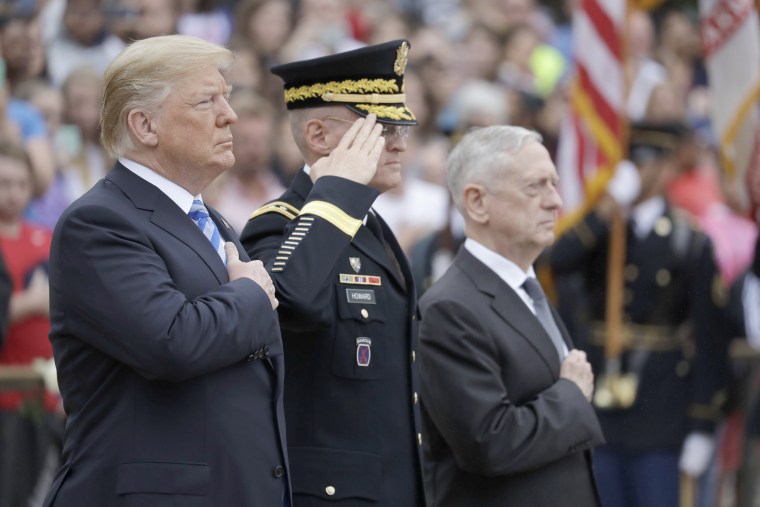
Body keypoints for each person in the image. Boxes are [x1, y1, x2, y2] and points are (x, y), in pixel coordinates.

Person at [42, 34, 289, 507]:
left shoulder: (212, 221)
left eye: (228, 98)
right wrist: (251, 295)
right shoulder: (98, 222)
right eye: (206, 100)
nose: (229, 115)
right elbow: (171, 342)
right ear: (145, 125)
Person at [240, 40, 425, 506]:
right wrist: (336, 192)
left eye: (401, 124)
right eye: (381, 127)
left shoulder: (372, 226)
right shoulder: (279, 223)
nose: (400, 141)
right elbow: (289, 298)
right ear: (320, 136)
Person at [417, 125, 603, 507]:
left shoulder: (527, 289)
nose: (555, 201)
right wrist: (571, 395)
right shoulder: (451, 308)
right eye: (535, 187)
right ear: (477, 203)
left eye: (553, 184)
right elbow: (489, 442)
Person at [549, 122, 730, 507]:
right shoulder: (603, 228)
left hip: (660, 409)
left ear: (666, 168)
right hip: (598, 406)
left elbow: (709, 336)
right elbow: (557, 261)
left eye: (649, 162)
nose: (641, 171)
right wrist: (606, 208)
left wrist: (702, 422)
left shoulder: (690, 239)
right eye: (634, 161)